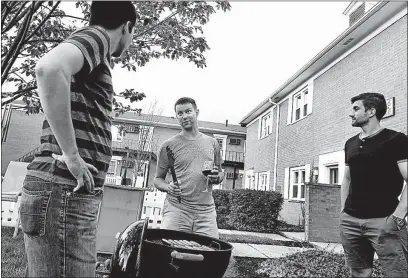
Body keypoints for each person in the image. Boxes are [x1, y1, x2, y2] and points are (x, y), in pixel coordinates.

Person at [19, 2, 136, 277]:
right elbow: (48, 68)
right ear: (127, 27)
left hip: (64, 193)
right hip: (63, 191)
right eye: (133, 35)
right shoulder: (98, 37)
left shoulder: (94, 50)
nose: (130, 43)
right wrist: (72, 156)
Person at [340, 92, 408, 277]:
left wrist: (398, 216)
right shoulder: (350, 143)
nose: (351, 113)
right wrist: (343, 211)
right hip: (351, 220)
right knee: (359, 272)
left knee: (398, 273)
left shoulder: (396, 140)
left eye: (356, 108)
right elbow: (347, 178)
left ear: (371, 111)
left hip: (384, 220)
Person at [154, 97, 224, 239]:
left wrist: (217, 178)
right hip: (177, 209)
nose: (184, 116)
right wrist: (168, 187)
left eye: (188, 111)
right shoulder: (168, 146)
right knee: (169, 252)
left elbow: (221, 172)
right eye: (180, 113)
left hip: (206, 211)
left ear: (196, 112)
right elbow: (157, 179)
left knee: (210, 254)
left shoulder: (212, 143)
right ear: (177, 117)